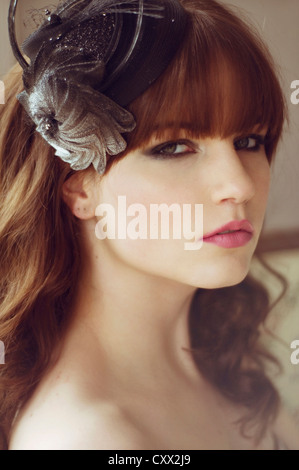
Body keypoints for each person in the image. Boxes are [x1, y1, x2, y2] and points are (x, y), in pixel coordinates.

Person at [0, 0, 298, 450]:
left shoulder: (232, 372)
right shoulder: (88, 438)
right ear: (78, 188)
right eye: (174, 147)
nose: (239, 184)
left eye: (249, 140)